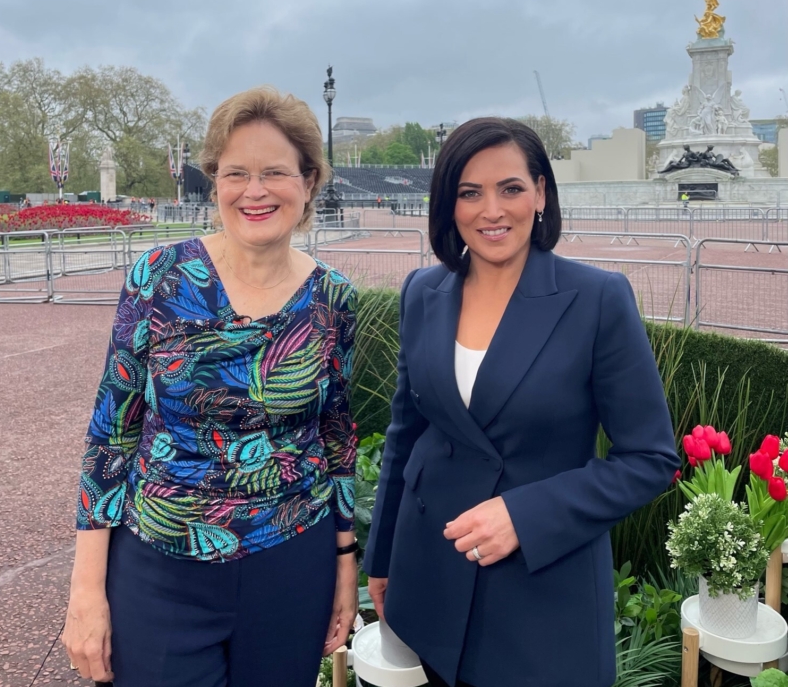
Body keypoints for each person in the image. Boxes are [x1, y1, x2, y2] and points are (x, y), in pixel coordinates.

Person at [363, 117, 679, 687]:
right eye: (469, 192)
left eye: (510, 188)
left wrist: (525, 515)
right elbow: (405, 434)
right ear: (448, 206)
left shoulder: (597, 299)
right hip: (431, 576)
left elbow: (650, 459)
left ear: (540, 193)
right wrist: (381, 558)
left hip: (540, 594)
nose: (492, 210)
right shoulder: (421, 292)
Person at [63, 87, 359, 687]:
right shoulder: (159, 277)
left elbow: (337, 440)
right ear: (214, 182)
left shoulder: (333, 298)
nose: (255, 191)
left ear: (308, 182)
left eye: (274, 172)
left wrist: (345, 565)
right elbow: (110, 436)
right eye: (236, 173)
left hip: (291, 558)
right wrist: (86, 592)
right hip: (159, 564)